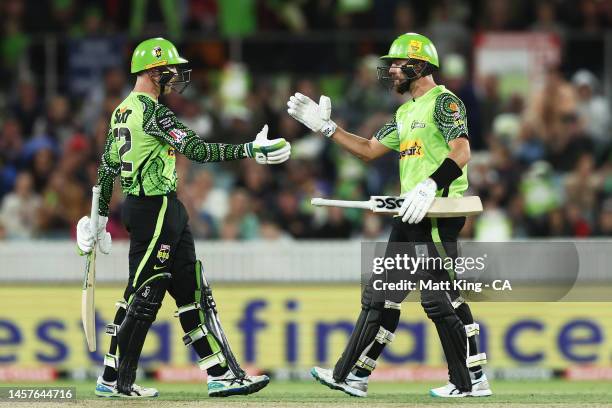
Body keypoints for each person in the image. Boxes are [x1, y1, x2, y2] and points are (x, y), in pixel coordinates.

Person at [76, 38, 291, 398]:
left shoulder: (120, 111)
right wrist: (250, 149)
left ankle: (221, 373)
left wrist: (97, 217)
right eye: (166, 70)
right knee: (143, 295)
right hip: (154, 208)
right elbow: (197, 150)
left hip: (159, 208)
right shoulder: (154, 112)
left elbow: (107, 168)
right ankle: (115, 380)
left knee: (193, 292)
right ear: (149, 71)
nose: (173, 76)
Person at [287, 33, 491, 398]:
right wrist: (328, 129)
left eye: (398, 64)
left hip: (437, 212)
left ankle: (469, 381)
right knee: (379, 294)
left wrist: (430, 184)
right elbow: (367, 149)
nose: (392, 70)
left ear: (420, 65)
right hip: (411, 212)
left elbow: (462, 150)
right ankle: (347, 375)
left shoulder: (443, 102)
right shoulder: (403, 111)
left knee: (438, 297)